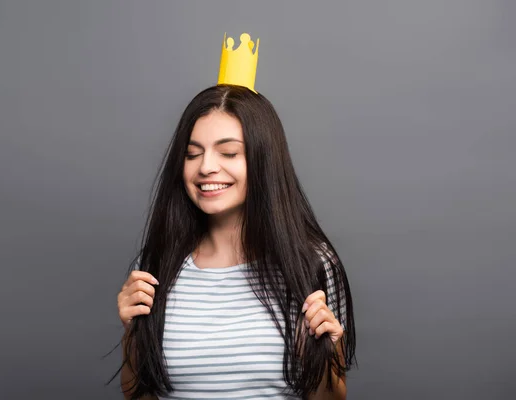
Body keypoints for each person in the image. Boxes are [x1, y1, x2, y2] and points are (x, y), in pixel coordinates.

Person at [114, 84, 356, 399]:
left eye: (228, 152)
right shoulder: (155, 266)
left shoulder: (311, 265)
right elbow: (137, 395)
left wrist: (327, 349)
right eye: (192, 153)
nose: (205, 167)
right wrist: (131, 333)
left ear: (263, 160)